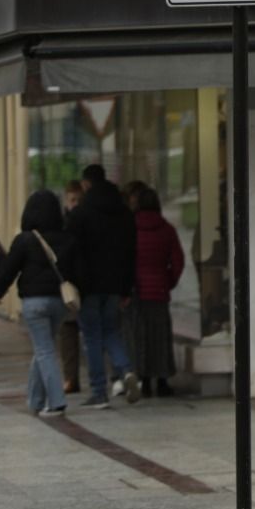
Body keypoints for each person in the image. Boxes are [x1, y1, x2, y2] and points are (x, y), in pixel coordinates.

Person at [0, 190, 78, 418]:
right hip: (60, 302)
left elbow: (9, 268)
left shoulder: (25, 239)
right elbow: (78, 270)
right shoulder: (67, 238)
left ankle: (56, 402)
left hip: (34, 303)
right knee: (43, 349)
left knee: (44, 349)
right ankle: (35, 400)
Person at [67, 164, 139, 408]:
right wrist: (126, 287)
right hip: (115, 285)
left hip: (88, 286)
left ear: (86, 184)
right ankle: (126, 370)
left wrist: (74, 283)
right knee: (111, 331)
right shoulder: (124, 212)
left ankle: (99, 391)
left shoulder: (80, 214)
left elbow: (72, 251)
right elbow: (131, 252)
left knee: (92, 336)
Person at [132, 187, 184, 398]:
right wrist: (168, 281)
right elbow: (178, 261)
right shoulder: (167, 229)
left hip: (139, 291)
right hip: (160, 291)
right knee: (161, 337)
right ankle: (162, 381)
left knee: (141, 336)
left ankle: (144, 381)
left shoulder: (131, 228)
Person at [57, 180, 84, 392]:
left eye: (78, 200)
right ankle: (70, 378)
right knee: (68, 333)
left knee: (92, 332)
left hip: (87, 283)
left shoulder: (88, 221)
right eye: (72, 200)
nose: (75, 204)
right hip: (69, 286)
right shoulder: (62, 224)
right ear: (67, 201)